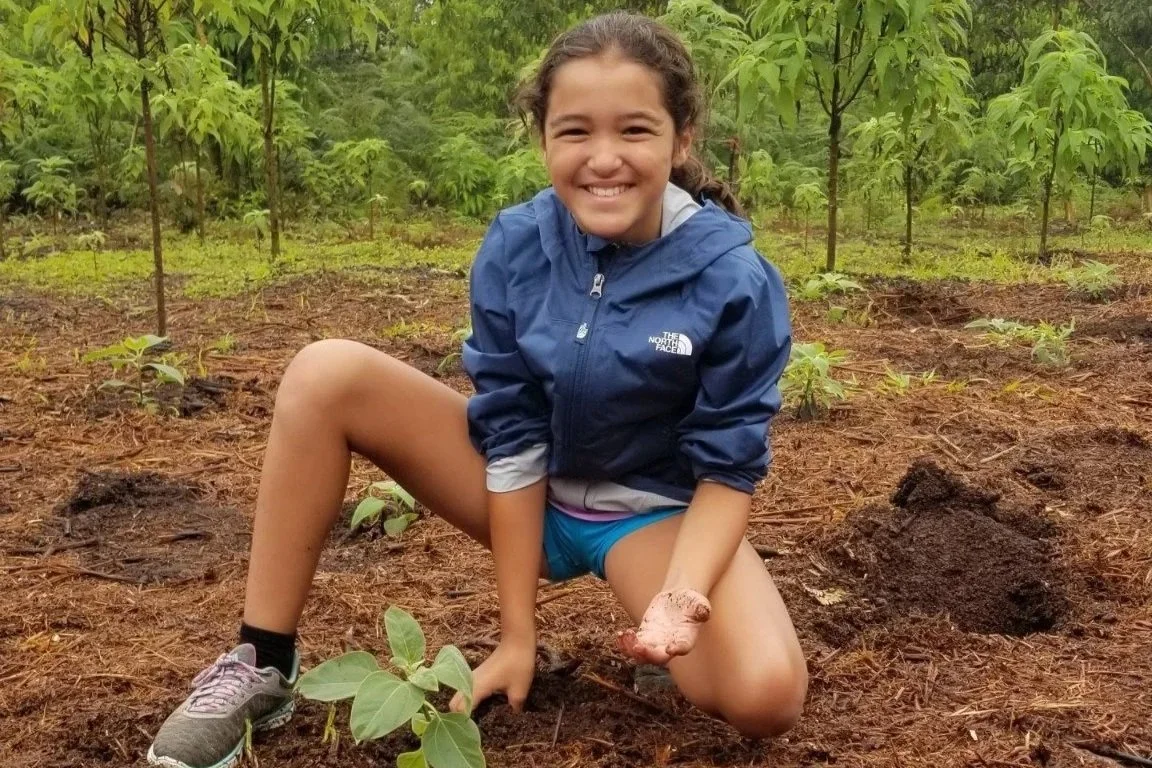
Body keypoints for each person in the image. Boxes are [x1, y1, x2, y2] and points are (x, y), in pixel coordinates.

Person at [147, 11, 807, 768]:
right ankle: (262, 663)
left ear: (681, 137)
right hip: (516, 489)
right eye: (574, 131)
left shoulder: (733, 280)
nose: (604, 159)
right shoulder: (519, 244)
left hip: (648, 515)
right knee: (326, 374)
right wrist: (518, 636)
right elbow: (513, 432)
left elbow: (727, 468)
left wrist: (681, 593)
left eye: (634, 130)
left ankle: (659, 621)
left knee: (767, 694)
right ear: (543, 139)